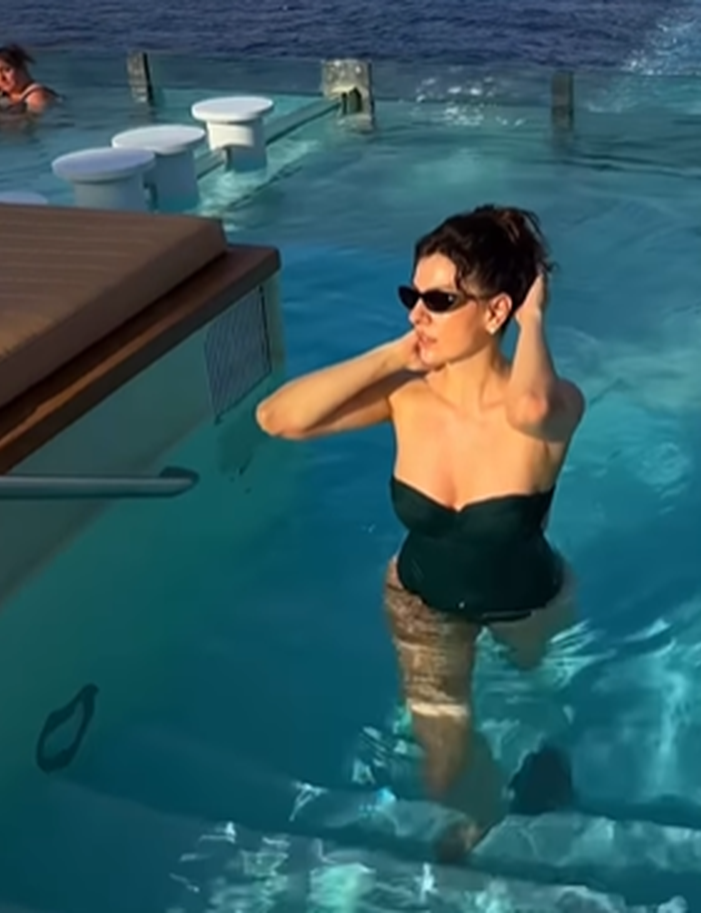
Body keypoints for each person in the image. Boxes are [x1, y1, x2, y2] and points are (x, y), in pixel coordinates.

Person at [256, 205, 586, 861]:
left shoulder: (553, 407)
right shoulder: (406, 398)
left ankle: (546, 776)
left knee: (542, 705)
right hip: (421, 602)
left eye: (439, 301)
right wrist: (395, 355)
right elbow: (277, 418)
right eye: (412, 296)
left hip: (527, 599)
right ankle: (480, 818)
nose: (418, 314)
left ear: (495, 312)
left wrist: (534, 319)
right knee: (443, 765)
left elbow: (528, 406)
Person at [0, 44, 57, 114]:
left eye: (6, 70)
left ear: (22, 68)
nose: (1, 78)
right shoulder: (3, 95)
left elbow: (29, 122)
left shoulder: (36, 96)